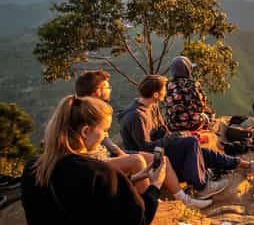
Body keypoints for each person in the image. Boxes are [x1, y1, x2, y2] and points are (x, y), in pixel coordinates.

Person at [20, 95, 165, 225]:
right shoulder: (97, 171)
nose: (105, 136)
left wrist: (135, 177)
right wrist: (155, 186)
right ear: (86, 132)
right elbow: (138, 221)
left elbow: (85, 196)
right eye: (104, 130)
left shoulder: (34, 166)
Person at [75, 70, 212, 209]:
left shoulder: (94, 109)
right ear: (97, 92)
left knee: (162, 159)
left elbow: (105, 139)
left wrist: (120, 152)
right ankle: (147, 204)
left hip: (105, 154)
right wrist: (123, 155)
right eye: (106, 87)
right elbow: (97, 146)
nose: (110, 89)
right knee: (138, 161)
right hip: (94, 160)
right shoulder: (85, 113)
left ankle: (183, 199)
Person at [119, 75, 251, 200]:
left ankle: (242, 164)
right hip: (152, 159)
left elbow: (163, 129)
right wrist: (173, 138)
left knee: (199, 150)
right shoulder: (136, 116)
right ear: (155, 94)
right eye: (163, 90)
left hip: (162, 148)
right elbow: (145, 147)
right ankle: (202, 186)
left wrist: (175, 136)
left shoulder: (152, 106)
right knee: (191, 143)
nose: (166, 92)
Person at [164, 56, 212, 131]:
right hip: (192, 125)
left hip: (172, 126)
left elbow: (166, 105)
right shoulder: (194, 85)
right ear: (187, 70)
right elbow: (202, 106)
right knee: (206, 117)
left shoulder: (167, 85)